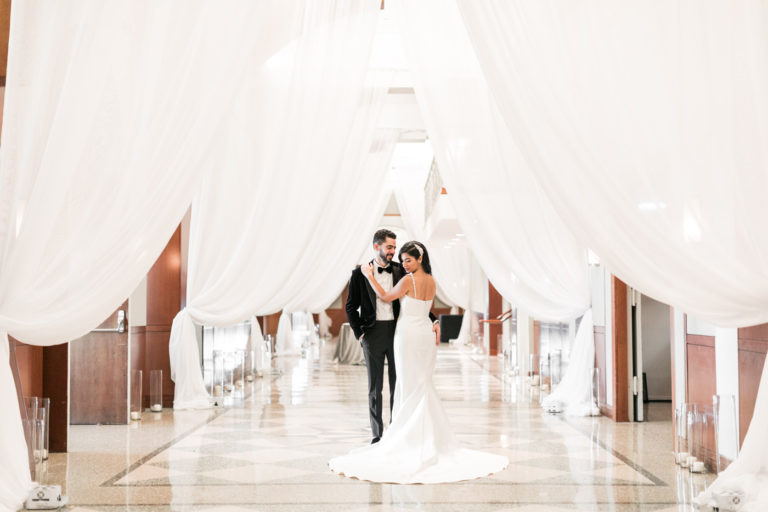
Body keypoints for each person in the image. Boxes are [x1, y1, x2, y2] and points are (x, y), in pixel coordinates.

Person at [330, 241, 509, 484]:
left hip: (409, 334)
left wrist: (369, 276)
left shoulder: (407, 280)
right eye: (402, 260)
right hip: (424, 331)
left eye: (408, 260)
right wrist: (434, 323)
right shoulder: (432, 281)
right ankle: (426, 435)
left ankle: (409, 436)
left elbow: (384, 296)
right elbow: (425, 309)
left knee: (408, 381)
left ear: (420, 258)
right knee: (420, 382)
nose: (403, 264)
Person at [345, 229, 440, 444]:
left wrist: (433, 320)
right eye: (389, 247)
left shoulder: (403, 271)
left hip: (398, 332)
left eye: (394, 248)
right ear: (376, 246)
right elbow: (351, 307)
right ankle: (378, 435)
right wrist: (360, 334)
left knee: (399, 382)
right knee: (375, 387)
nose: (393, 252)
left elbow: (415, 302)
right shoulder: (359, 273)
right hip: (372, 333)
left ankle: (398, 427)